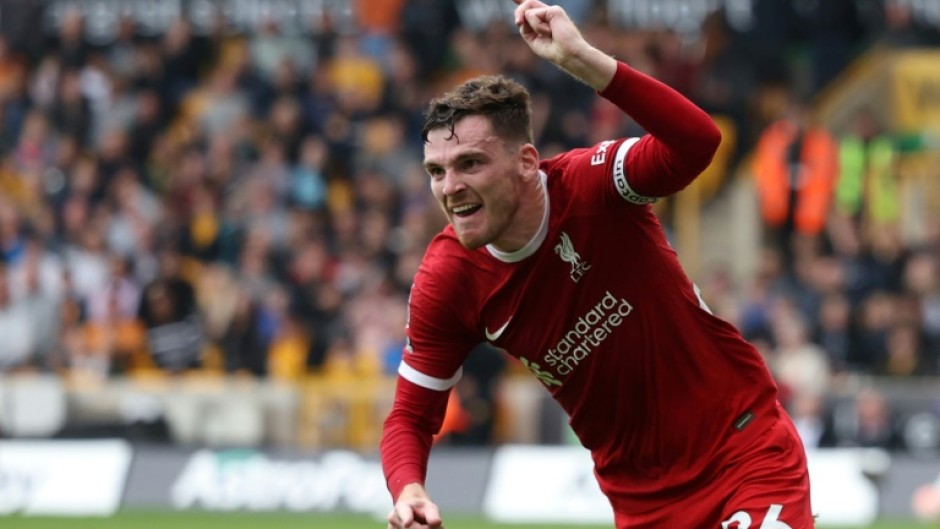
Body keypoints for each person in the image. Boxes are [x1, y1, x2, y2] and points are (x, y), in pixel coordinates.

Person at [380, 1, 814, 528]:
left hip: (741, 451)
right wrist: (409, 490)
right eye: (437, 171)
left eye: (470, 164)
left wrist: (584, 60)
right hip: (642, 502)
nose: (450, 188)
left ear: (524, 163)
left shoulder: (595, 185)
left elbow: (698, 143)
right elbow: (410, 415)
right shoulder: (448, 280)